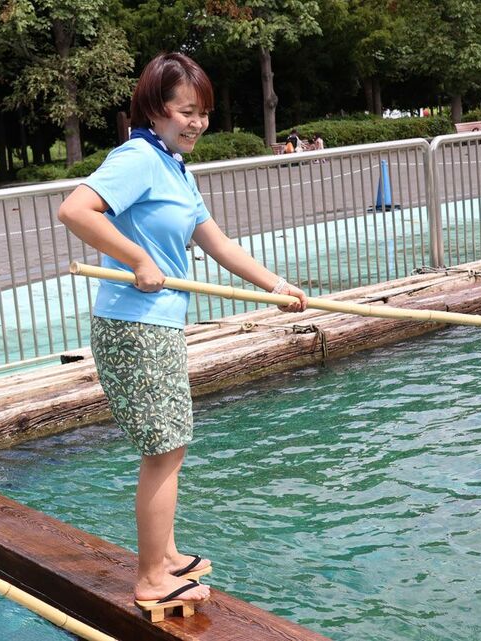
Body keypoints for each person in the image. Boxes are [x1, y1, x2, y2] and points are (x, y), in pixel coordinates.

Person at [57, 53, 308, 613]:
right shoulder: (138, 159)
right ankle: (151, 578)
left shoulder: (175, 167)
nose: (196, 123)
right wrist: (137, 258)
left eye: (203, 113)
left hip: (158, 326)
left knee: (172, 443)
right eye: (186, 111)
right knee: (164, 449)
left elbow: (217, 243)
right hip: (134, 326)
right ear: (156, 108)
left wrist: (276, 286)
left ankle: (165, 554)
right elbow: (75, 210)